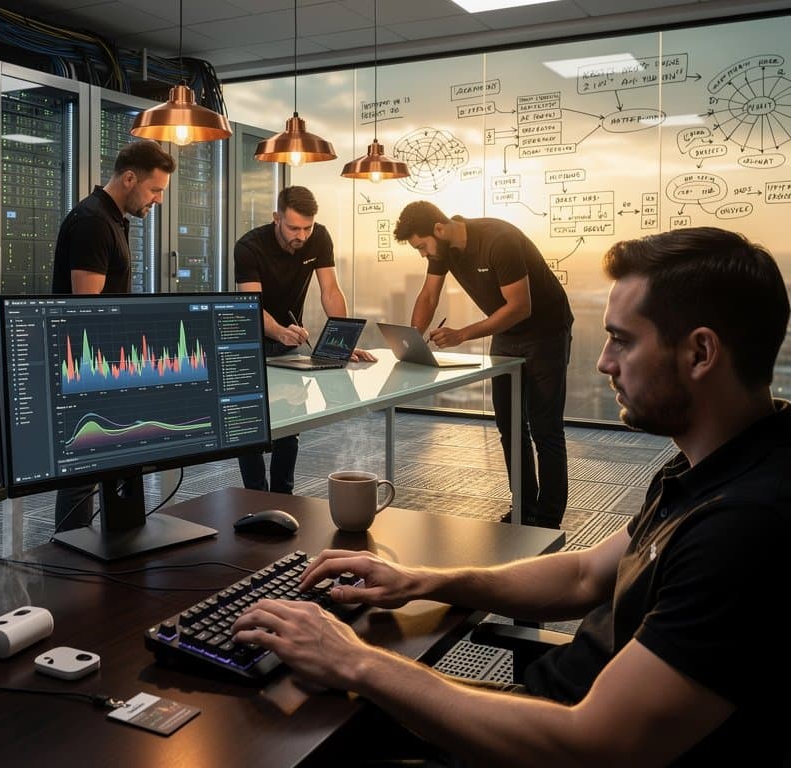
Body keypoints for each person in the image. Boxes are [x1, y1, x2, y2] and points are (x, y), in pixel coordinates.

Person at [233, 226, 791, 766]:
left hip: (547, 738)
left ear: (700, 354)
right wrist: (425, 582)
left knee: (279, 733)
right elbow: (585, 576)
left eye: (622, 339)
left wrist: (356, 662)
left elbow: (592, 745)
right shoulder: (719, 460)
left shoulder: (744, 527)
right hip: (541, 709)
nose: (603, 361)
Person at [393, 202, 573, 529]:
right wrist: (412, 340)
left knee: (545, 429)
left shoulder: (497, 239)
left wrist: (462, 334)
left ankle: (547, 520)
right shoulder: (443, 250)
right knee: (510, 427)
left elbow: (520, 307)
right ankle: (522, 509)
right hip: (506, 332)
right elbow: (429, 295)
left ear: (438, 229)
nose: (422, 254)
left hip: (545, 331)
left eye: (421, 246)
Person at [50, 139, 176, 530]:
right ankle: (70, 554)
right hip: (87, 369)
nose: (157, 200)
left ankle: (115, 546)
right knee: (82, 472)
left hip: (107, 366)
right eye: (155, 190)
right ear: (128, 178)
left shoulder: (113, 218)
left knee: (112, 463)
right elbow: (87, 311)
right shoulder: (92, 221)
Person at [234, 186, 376, 494]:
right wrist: (280, 330)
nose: (301, 235)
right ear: (276, 218)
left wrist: (342, 340)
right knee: (251, 425)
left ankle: (284, 496)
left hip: (288, 341)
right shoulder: (249, 246)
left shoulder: (319, 237)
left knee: (291, 421)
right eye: (293, 228)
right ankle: (254, 496)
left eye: (307, 228)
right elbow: (251, 305)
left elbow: (330, 290)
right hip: (249, 340)